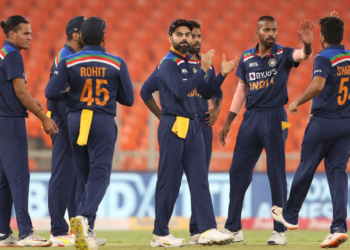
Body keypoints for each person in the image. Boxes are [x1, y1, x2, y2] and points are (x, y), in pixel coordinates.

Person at [219, 16, 313, 245]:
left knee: (276, 173)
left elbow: (302, 55)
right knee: (237, 172)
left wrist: (308, 45)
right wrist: (229, 121)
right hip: (250, 117)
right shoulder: (247, 57)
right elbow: (242, 90)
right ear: (257, 32)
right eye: (267, 30)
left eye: (274, 30)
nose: (271, 34)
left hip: (274, 116)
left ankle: (279, 231)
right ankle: (233, 228)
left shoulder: (283, 53)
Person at [46, 16, 134, 250]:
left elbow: (51, 92)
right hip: (102, 119)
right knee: (101, 174)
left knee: (83, 176)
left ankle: (86, 231)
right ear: (104, 37)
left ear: (82, 37)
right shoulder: (116, 62)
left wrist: (73, 97)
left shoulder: (70, 61)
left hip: (76, 120)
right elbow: (129, 99)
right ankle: (83, 218)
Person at [149, 19, 237, 247]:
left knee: (200, 180)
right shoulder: (167, 63)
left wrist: (222, 75)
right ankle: (160, 233)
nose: (185, 38)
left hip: (195, 126)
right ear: (170, 38)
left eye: (188, 34)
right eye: (179, 34)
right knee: (168, 182)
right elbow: (180, 91)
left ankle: (207, 229)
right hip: (175, 126)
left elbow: (206, 91)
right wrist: (204, 69)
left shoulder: (190, 63)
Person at [271, 13, 349, 249]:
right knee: (337, 173)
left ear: (322, 38)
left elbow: (317, 85)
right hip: (346, 123)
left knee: (307, 166)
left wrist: (297, 102)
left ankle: (291, 215)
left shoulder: (324, 57)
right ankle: (338, 228)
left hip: (324, 122)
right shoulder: (347, 57)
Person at [0, 15, 57, 247]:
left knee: (4, 180)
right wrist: (43, 117)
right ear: (12, 34)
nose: (30, 38)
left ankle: (3, 233)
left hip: (2, 119)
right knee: (20, 177)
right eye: (25, 33)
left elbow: (14, 92)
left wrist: (29, 99)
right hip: (10, 121)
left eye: (31, 33)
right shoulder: (12, 55)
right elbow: (20, 92)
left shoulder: (3, 54)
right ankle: (26, 232)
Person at [47, 16, 85, 247]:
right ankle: (57, 229)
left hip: (68, 122)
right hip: (63, 124)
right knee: (62, 176)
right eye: (84, 31)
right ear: (74, 33)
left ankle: (74, 230)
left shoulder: (71, 57)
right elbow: (56, 94)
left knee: (73, 178)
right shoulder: (66, 57)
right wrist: (71, 123)